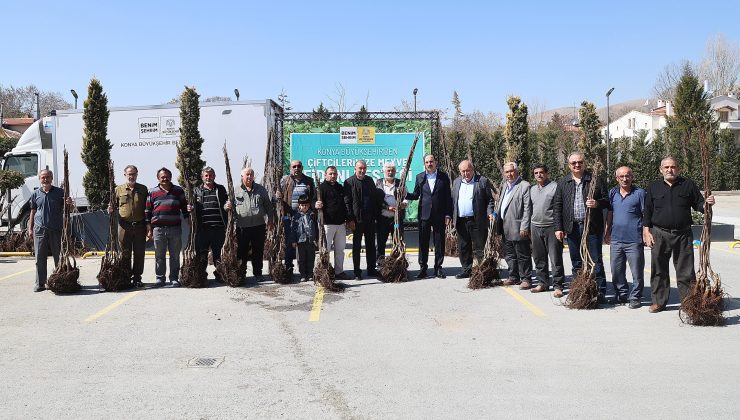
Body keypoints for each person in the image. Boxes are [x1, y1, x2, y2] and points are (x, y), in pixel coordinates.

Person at [643, 157, 715, 313]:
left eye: (673, 167)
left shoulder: (688, 185)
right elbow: (647, 211)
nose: (670, 170)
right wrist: (646, 232)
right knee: (659, 270)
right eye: (666, 167)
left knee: (686, 271)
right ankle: (659, 302)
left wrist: (707, 204)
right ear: (660, 169)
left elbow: (699, 205)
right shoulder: (654, 187)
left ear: (678, 169)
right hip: (659, 233)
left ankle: (688, 303)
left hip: (683, 234)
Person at [553, 152, 609, 303]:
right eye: (573, 163)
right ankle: (579, 288)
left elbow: (606, 201)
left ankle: (600, 291)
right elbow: (557, 206)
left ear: (584, 163)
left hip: (591, 226)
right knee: (576, 260)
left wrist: (597, 203)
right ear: (569, 165)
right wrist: (558, 227)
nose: (577, 165)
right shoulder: (563, 182)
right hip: (572, 228)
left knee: (595, 260)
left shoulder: (595, 180)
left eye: (580, 162)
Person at [604, 166, 646, 309]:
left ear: (632, 177)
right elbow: (610, 213)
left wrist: (646, 233)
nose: (624, 179)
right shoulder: (612, 193)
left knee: (637, 271)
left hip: (634, 240)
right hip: (616, 239)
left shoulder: (640, 193)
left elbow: (646, 215)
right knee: (616, 270)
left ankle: (635, 297)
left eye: (627, 176)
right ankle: (621, 294)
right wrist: (607, 230)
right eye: (621, 176)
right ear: (617, 178)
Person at [406, 154, 453, 279]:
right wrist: (405, 194)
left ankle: (438, 268)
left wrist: (448, 214)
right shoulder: (420, 177)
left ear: (435, 162)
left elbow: (448, 197)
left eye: (431, 161)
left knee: (439, 242)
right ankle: (423, 268)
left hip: (439, 214)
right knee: (423, 242)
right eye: (427, 162)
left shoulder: (443, 177)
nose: (429, 164)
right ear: (424, 164)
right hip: (424, 215)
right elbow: (416, 195)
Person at [451, 160, 495, 279]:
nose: (466, 173)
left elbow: (490, 200)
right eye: (463, 171)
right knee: (463, 247)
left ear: (472, 169)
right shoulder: (456, 182)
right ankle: (466, 270)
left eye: (468, 170)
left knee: (480, 247)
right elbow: (453, 200)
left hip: (477, 220)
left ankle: (482, 270)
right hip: (461, 220)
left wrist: (490, 212)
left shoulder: (482, 181)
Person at [28, 169, 71, 292]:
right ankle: (40, 284)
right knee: (40, 258)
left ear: (51, 178)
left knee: (58, 256)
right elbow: (33, 211)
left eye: (47, 177)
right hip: (40, 229)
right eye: (43, 177)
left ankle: (59, 280)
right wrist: (30, 229)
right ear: (39, 179)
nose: (45, 179)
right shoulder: (35, 194)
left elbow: (69, 209)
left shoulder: (60, 192)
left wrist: (69, 203)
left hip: (56, 229)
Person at [146, 167, 188, 288]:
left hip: (175, 229)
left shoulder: (178, 191)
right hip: (158, 229)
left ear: (170, 177)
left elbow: (184, 208)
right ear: (158, 178)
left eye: (166, 176)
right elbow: (147, 211)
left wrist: (188, 220)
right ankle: (160, 278)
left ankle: (174, 278)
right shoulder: (152, 192)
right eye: (162, 177)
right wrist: (149, 228)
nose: (164, 179)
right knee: (159, 255)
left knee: (175, 256)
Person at [528, 164, 566, 296]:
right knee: (538, 258)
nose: (539, 175)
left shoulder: (555, 187)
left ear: (547, 173)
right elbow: (529, 209)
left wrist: (559, 228)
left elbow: (560, 208)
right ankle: (542, 283)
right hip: (535, 226)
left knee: (555, 258)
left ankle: (558, 286)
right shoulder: (532, 189)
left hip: (551, 227)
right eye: (536, 173)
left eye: (541, 172)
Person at [232, 167, 274, 281]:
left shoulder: (261, 189)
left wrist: (270, 220)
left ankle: (258, 273)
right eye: (247, 175)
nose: (249, 177)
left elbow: (269, 207)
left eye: (251, 174)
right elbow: (229, 208)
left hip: (258, 226)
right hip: (242, 227)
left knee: (258, 251)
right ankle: (241, 273)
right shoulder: (235, 190)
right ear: (242, 177)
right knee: (242, 251)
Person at [343, 160, 383, 280]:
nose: (362, 170)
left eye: (364, 168)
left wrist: (375, 216)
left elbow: (374, 199)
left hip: (370, 220)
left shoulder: (369, 180)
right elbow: (347, 202)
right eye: (360, 168)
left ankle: (371, 269)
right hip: (356, 220)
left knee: (371, 245)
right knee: (356, 246)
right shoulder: (349, 182)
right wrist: (350, 219)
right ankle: (357, 271)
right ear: (355, 169)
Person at [276, 160, 316, 277]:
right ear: (290, 168)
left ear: (302, 167)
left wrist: (312, 214)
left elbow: (312, 199)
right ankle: (289, 268)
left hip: (304, 218)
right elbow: (277, 198)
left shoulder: (309, 181)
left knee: (306, 244)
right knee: (290, 243)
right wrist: (277, 196)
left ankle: (307, 271)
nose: (296, 168)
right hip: (289, 217)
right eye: (294, 166)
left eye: (299, 166)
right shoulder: (284, 180)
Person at [496, 162, 533, 288]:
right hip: (505, 227)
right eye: (506, 172)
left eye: (511, 171)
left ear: (517, 171)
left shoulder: (524, 186)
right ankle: (513, 277)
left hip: (518, 227)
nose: (509, 174)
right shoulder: (505, 186)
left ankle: (526, 279)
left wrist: (525, 226)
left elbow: (528, 208)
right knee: (509, 255)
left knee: (522, 255)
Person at [112, 165, 149, 288]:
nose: (131, 176)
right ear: (125, 175)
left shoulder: (143, 189)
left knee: (139, 253)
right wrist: (110, 208)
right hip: (124, 226)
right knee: (125, 253)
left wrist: (149, 226)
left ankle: (137, 278)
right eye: (129, 174)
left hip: (140, 226)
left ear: (137, 174)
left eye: (133, 174)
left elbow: (148, 208)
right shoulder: (118, 190)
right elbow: (112, 205)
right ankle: (126, 277)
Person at [190, 167, 228, 282]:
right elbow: (192, 206)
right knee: (202, 255)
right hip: (202, 229)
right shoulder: (196, 191)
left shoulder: (220, 189)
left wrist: (227, 206)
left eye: (210, 175)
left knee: (218, 254)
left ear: (214, 176)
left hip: (218, 229)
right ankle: (201, 275)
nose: (208, 177)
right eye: (206, 175)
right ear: (202, 177)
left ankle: (220, 274)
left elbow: (225, 204)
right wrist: (190, 208)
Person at [315, 166, 350, 280]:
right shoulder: (320, 188)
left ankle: (339, 272)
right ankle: (325, 272)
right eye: (330, 174)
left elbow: (346, 205)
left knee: (340, 250)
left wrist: (348, 219)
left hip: (340, 224)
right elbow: (313, 202)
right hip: (327, 224)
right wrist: (316, 204)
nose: (333, 176)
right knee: (326, 250)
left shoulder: (340, 188)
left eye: (334, 174)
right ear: (325, 175)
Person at [375, 162, 408, 269]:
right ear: (384, 171)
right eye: (388, 170)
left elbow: (406, 197)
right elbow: (376, 201)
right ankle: (380, 265)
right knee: (381, 242)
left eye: (392, 170)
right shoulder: (378, 183)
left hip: (396, 220)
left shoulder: (400, 183)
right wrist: (387, 207)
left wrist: (403, 204)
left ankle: (397, 264)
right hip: (383, 219)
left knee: (398, 241)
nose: (390, 172)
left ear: (395, 171)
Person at [291, 194, 318, 282]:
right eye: (302, 205)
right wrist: (294, 241)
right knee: (301, 259)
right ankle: (303, 274)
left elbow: (316, 227)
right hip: (300, 240)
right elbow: (293, 229)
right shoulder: (296, 216)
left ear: (309, 205)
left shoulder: (312, 215)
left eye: (306, 205)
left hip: (310, 240)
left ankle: (310, 273)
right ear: (299, 205)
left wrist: (317, 238)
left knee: (311, 257)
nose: (304, 207)